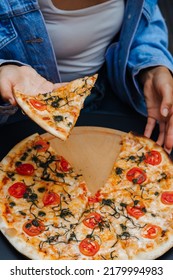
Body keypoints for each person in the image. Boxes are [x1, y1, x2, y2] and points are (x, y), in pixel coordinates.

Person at [0, 0, 173, 153]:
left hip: (109, 90)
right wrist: (4, 68)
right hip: (17, 111)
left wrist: (153, 69)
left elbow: (144, 20)